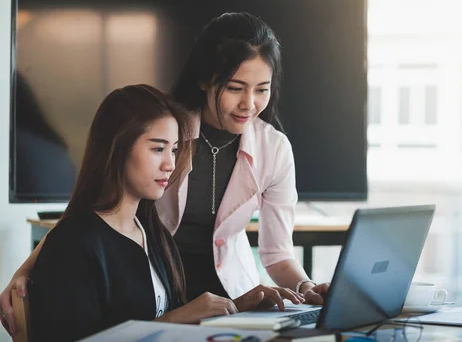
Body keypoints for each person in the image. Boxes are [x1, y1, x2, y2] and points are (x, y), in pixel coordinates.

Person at [0, 13, 329, 337]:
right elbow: (94, 214)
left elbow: (278, 252)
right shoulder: (164, 124)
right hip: (154, 290)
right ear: (204, 79)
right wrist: (27, 269)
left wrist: (305, 288)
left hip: (215, 294)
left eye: (262, 89)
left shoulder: (273, 148)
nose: (249, 103)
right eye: (235, 87)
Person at [25, 85, 303, 341]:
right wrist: (175, 320)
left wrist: (238, 306)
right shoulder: (75, 243)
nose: (171, 164)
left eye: (175, 150)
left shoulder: (153, 234)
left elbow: (170, 324)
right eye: (158, 149)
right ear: (116, 148)